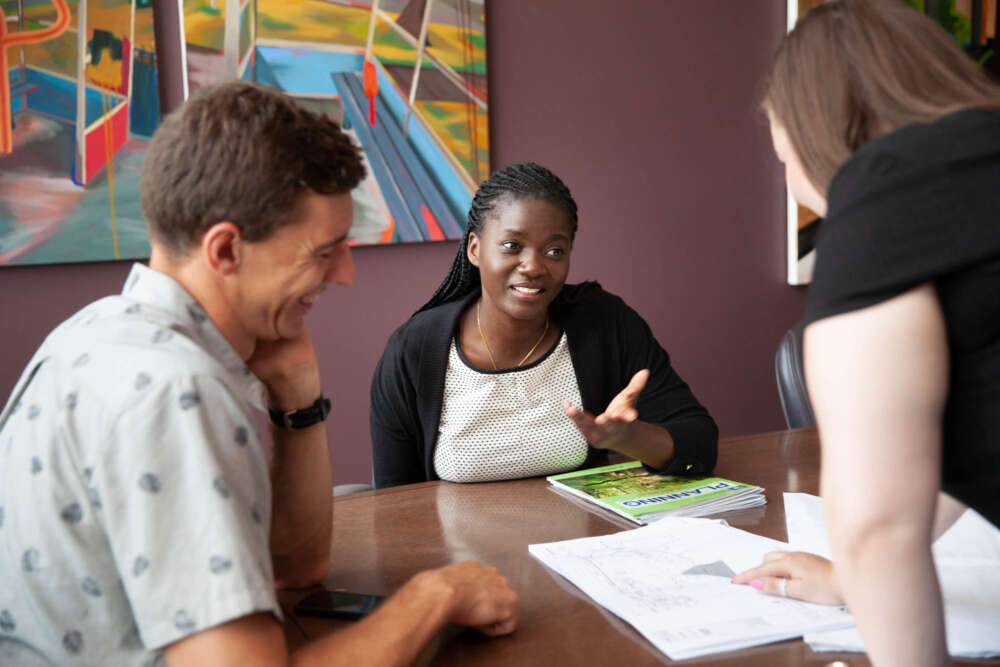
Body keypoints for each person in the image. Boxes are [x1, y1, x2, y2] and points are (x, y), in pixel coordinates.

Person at [0, 80, 516, 667]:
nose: (344, 274)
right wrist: (435, 594)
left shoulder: (92, 331)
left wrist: (298, 400)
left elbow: (296, 569)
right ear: (225, 251)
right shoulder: (176, 392)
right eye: (324, 252)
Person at [731, 1, 1000, 665]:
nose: (794, 182)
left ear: (817, 130)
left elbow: (880, 528)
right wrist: (847, 578)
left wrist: (860, 558)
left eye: (782, 157)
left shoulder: (883, 193)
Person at [370, 162, 718, 489]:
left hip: (580, 548)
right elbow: (394, 504)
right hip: (465, 553)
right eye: (512, 246)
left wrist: (630, 439)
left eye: (554, 251)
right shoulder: (414, 351)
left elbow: (700, 443)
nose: (533, 266)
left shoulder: (604, 324)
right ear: (474, 249)